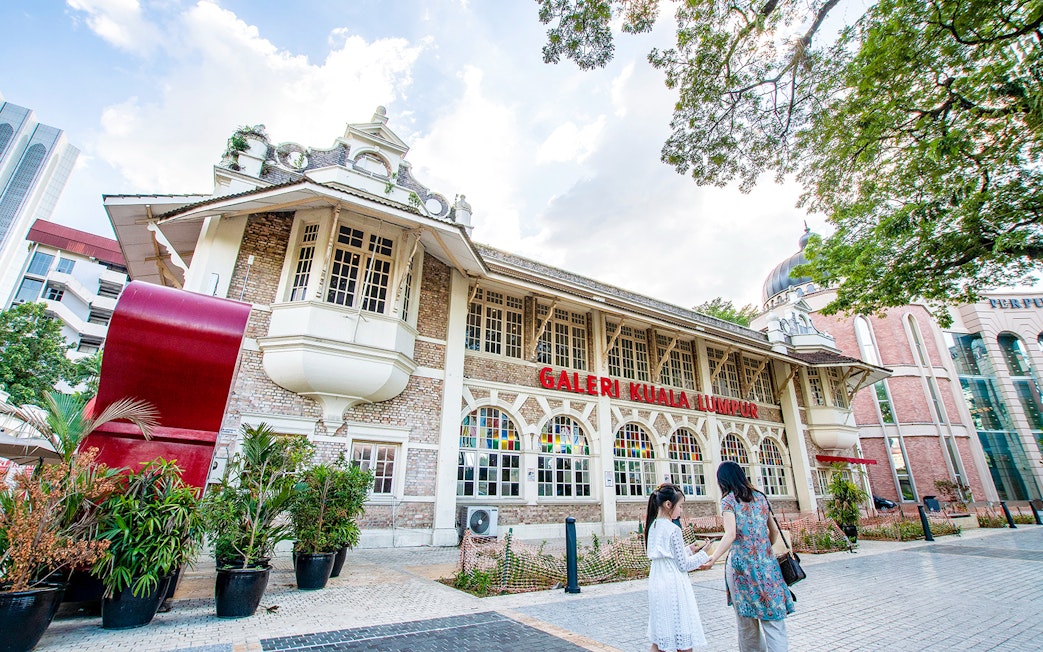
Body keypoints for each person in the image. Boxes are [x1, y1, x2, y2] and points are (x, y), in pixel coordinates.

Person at [699, 461, 794, 651]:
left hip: (742, 568)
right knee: (774, 622)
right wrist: (762, 547)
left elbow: (731, 534)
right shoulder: (760, 497)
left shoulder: (728, 501)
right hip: (767, 565)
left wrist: (713, 558)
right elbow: (774, 531)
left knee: (747, 623)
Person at [645, 483, 712, 652]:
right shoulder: (673, 529)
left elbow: (667, 554)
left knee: (660, 637)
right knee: (682, 635)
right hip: (673, 584)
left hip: (657, 581)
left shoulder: (652, 526)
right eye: (680, 506)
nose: (681, 510)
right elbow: (683, 565)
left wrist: (689, 549)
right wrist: (704, 553)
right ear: (669, 505)